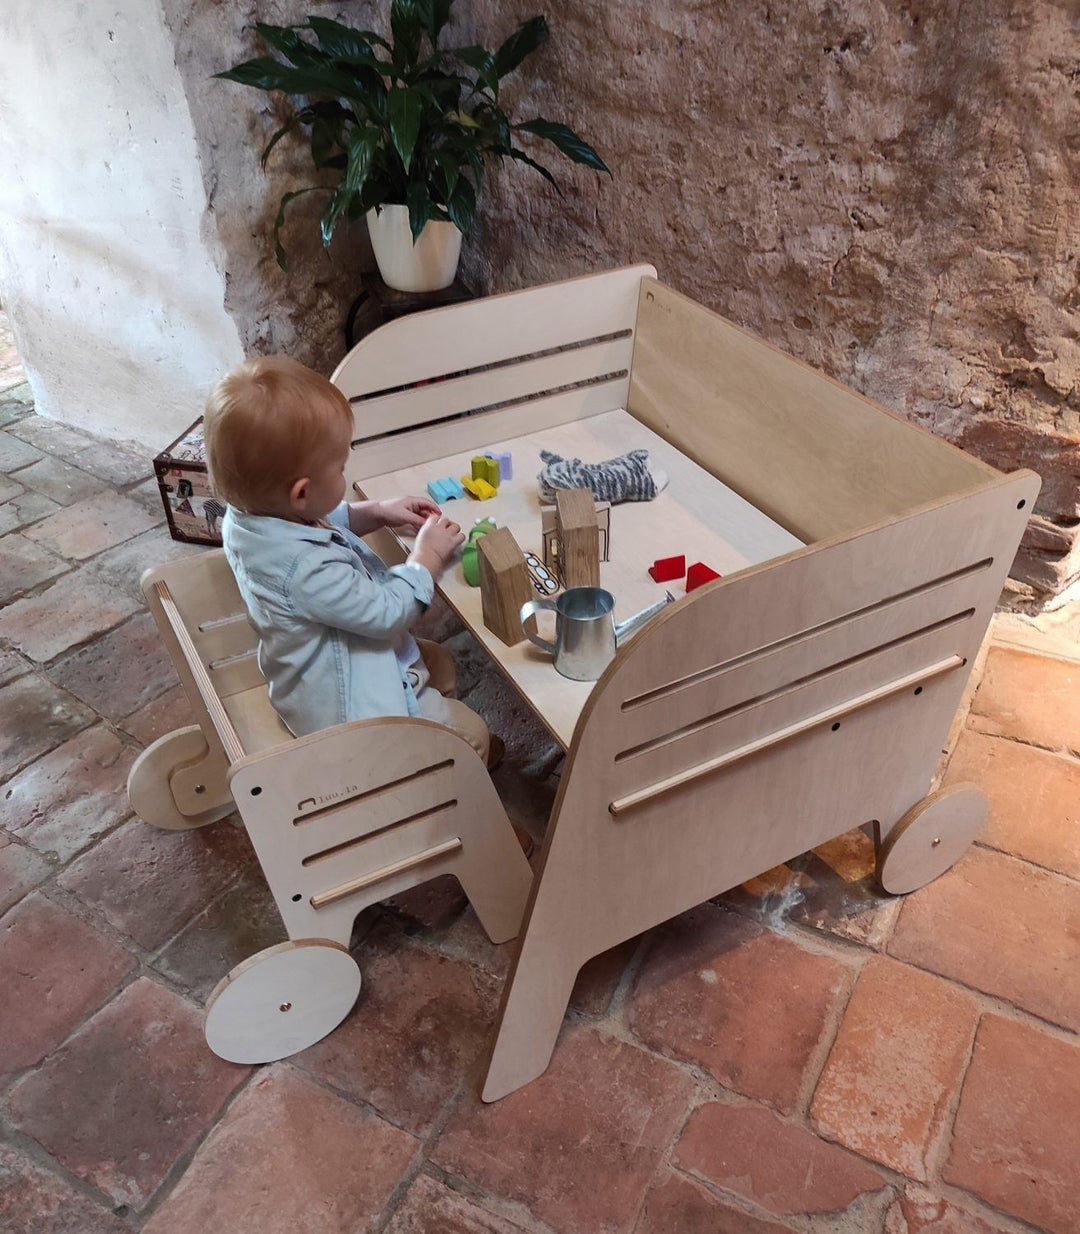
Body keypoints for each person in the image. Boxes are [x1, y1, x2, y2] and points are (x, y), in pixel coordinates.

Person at [202, 354, 501, 767]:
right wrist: (425, 557)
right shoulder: (305, 569)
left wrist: (376, 510)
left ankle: (435, 724)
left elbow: (324, 520)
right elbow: (386, 613)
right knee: (472, 735)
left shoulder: (253, 516)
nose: (346, 473)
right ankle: (443, 771)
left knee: (442, 663)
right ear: (301, 493)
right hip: (345, 709)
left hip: (323, 666)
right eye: (341, 467)